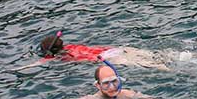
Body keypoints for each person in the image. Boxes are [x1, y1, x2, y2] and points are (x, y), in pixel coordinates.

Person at [23, 32, 170, 70]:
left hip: (109, 58)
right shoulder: (71, 46)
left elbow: (36, 64)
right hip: (116, 50)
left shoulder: (61, 57)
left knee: (156, 66)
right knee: (158, 55)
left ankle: (174, 70)